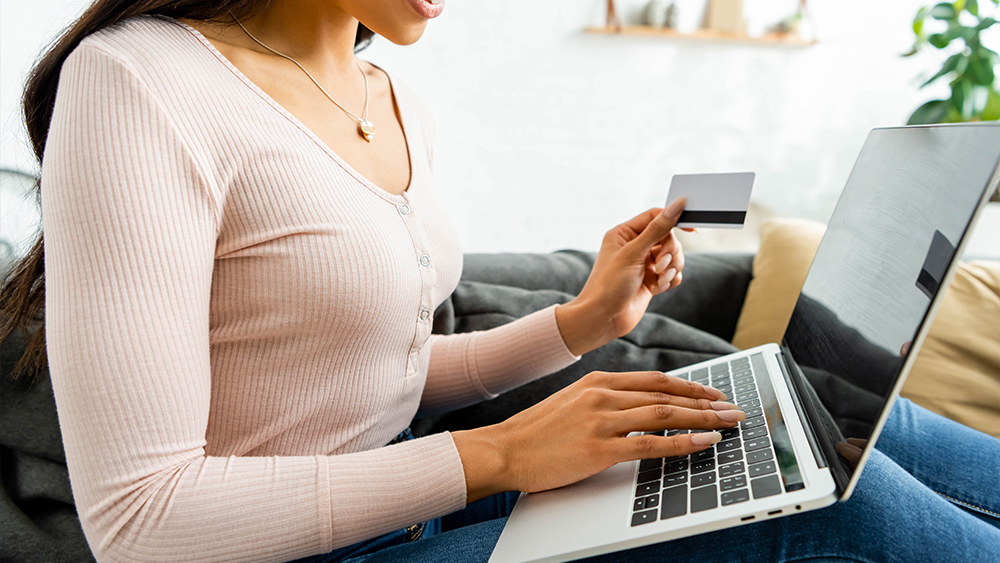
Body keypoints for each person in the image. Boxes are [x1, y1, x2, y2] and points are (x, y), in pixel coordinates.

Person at [0, 1, 995, 562]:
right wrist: (503, 452)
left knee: (827, 413)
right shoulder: (139, 81)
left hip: (406, 503)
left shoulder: (388, 93)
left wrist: (583, 319)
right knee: (834, 512)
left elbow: (369, 376)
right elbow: (141, 517)